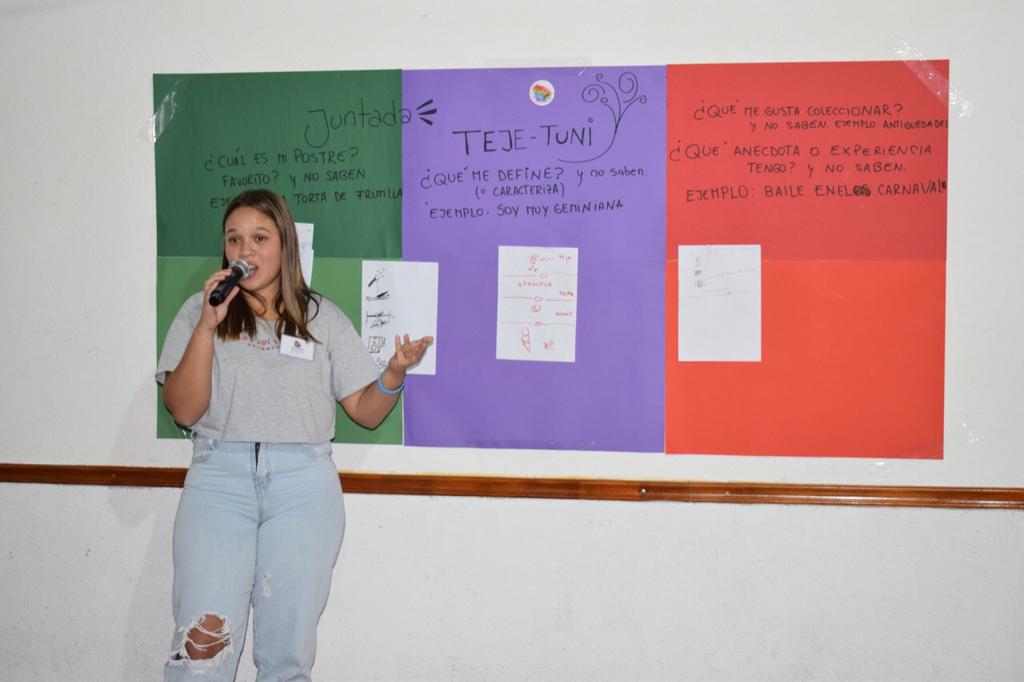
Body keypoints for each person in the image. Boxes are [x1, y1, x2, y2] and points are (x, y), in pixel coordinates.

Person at [156, 188, 431, 681]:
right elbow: (183, 409)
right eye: (234, 239)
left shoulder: (320, 316)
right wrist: (206, 327)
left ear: (286, 245)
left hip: (303, 487)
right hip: (219, 484)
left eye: (260, 238)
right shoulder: (201, 313)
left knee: (287, 656)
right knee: (201, 650)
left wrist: (393, 373)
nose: (245, 250)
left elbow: (365, 412)